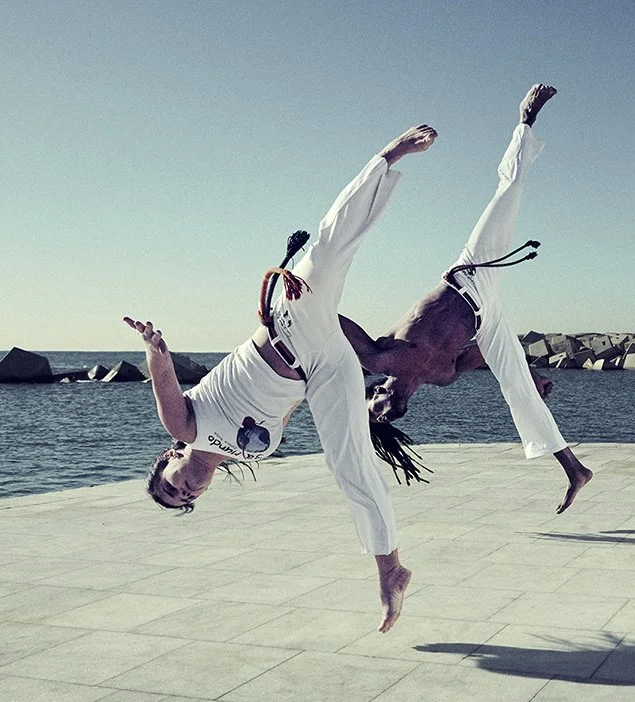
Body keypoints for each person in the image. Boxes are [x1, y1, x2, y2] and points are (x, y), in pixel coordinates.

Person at [123, 123, 439, 633]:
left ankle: (390, 154)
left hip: (292, 326)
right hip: (321, 368)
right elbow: (286, 406)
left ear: (168, 459)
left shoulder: (185, 428)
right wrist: (346, 404)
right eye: (185, 500)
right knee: (349, 465)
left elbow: (163, 382)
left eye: (174, 486)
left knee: (330, 249)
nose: (187, 492)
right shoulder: (249, 454)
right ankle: (391, 570)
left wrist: (155, 351)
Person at [338, 84, 593, 514]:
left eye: (373, 411)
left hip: (471, 274)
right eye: (381, 422)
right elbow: (484, 359)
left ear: (375, 391)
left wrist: (297, 304)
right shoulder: (442, 377)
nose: (382, 415)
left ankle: (525, 120)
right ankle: (574, 469)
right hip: (486, 316)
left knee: (508, 192)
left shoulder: (381, 358)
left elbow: (334, 321)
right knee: (517, 387)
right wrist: (531, 375)